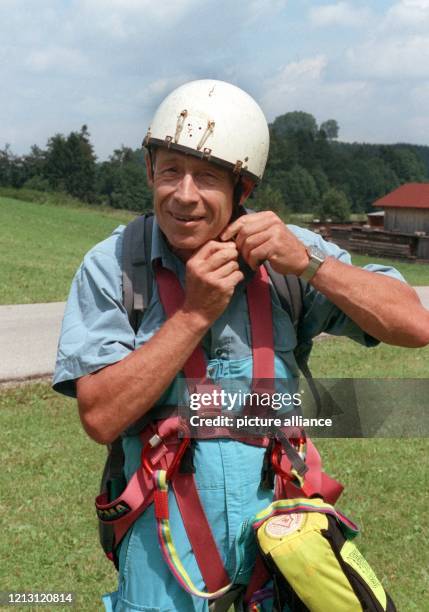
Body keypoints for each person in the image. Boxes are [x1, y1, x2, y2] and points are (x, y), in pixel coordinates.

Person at [52, 79, 429, 612]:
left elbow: (414, 326)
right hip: (164, 567)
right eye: (169, 171)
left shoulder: (289, 257)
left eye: (206, 176)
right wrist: (193, 314)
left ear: (243, 188)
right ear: (148, 171)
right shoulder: (114, 266)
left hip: (278, 557)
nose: (184, 195)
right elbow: (100, 417)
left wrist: (311, 266)